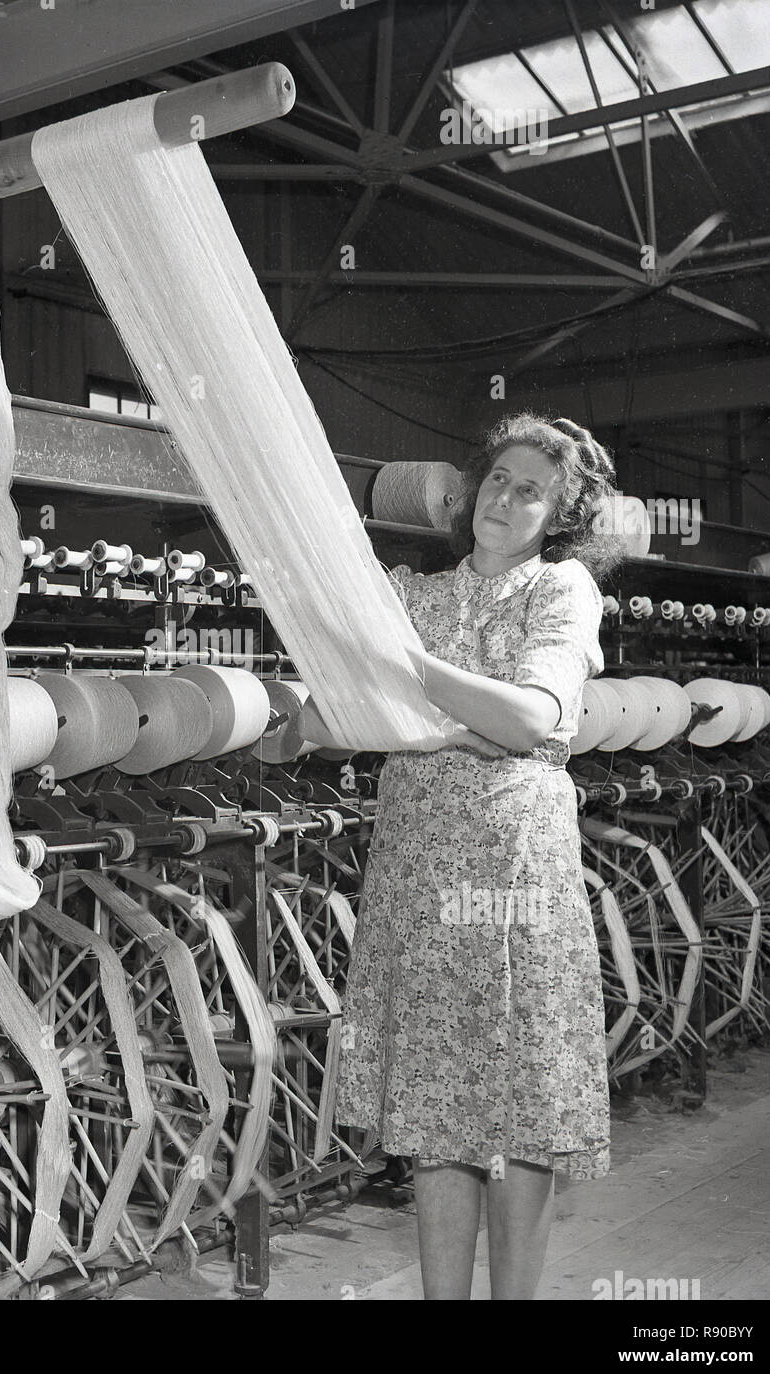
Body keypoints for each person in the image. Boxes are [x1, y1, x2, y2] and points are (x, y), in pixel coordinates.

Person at [334, 412, 626, 1300]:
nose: (504, 497)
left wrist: (413, 675)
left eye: (530, 490)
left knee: (519, 1103)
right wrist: (447, 725)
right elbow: (338, 706)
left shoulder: (561, 590)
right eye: (497, 478)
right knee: (436, 1104)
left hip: (512, 870)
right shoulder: (412, 593)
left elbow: (531, 718)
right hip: (419, 862)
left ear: (560, 515)